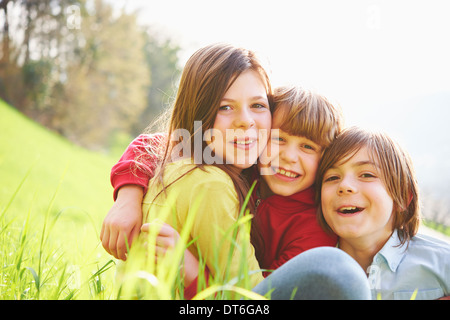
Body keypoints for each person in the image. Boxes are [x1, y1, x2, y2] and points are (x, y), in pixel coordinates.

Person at [101, 43, 371, 299]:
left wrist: (189, 268)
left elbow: (259, 297)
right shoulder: (236, 168)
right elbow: (154, 143)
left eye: (257, 106)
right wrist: (127, 198)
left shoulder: (311, 224)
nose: (245, 121)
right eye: (225, 107)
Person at [316, 126, 450, 299]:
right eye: (332, 177)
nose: (344, 186)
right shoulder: (309, 266)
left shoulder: (442, 263)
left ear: (402, 198)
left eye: (366, 175)